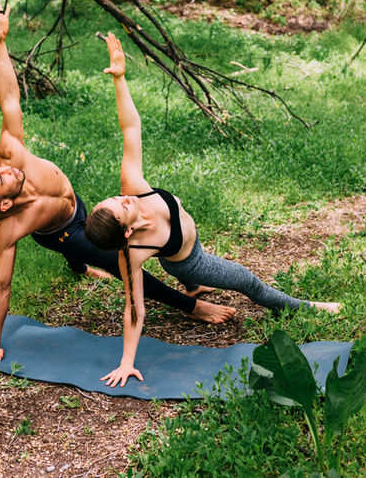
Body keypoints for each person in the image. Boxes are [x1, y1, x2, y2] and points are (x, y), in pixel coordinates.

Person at [0, 0, 235, 366]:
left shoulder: (12, 154)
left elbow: (8, 97)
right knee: (118, 263)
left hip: (76, 203)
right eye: (2, 181)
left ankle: (91, 266)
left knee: (107, 238)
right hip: (59, 231)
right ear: (5, 205)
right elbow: (1, 284)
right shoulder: (8, 228)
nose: (5, 170)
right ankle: (192, 305)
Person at [84, 32, 342, 387]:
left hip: (186, 242)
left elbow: (130, 128)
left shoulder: (133, 188)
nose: (123, 197)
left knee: (190, 278)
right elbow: (133, 310)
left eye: (115, 198)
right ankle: (306, 306)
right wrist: (127, 362)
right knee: (248, 282)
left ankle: (192, 287)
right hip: (189, 259)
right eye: (120, 207)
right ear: (127, 232)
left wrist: (120, 79)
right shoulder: (134, 254)